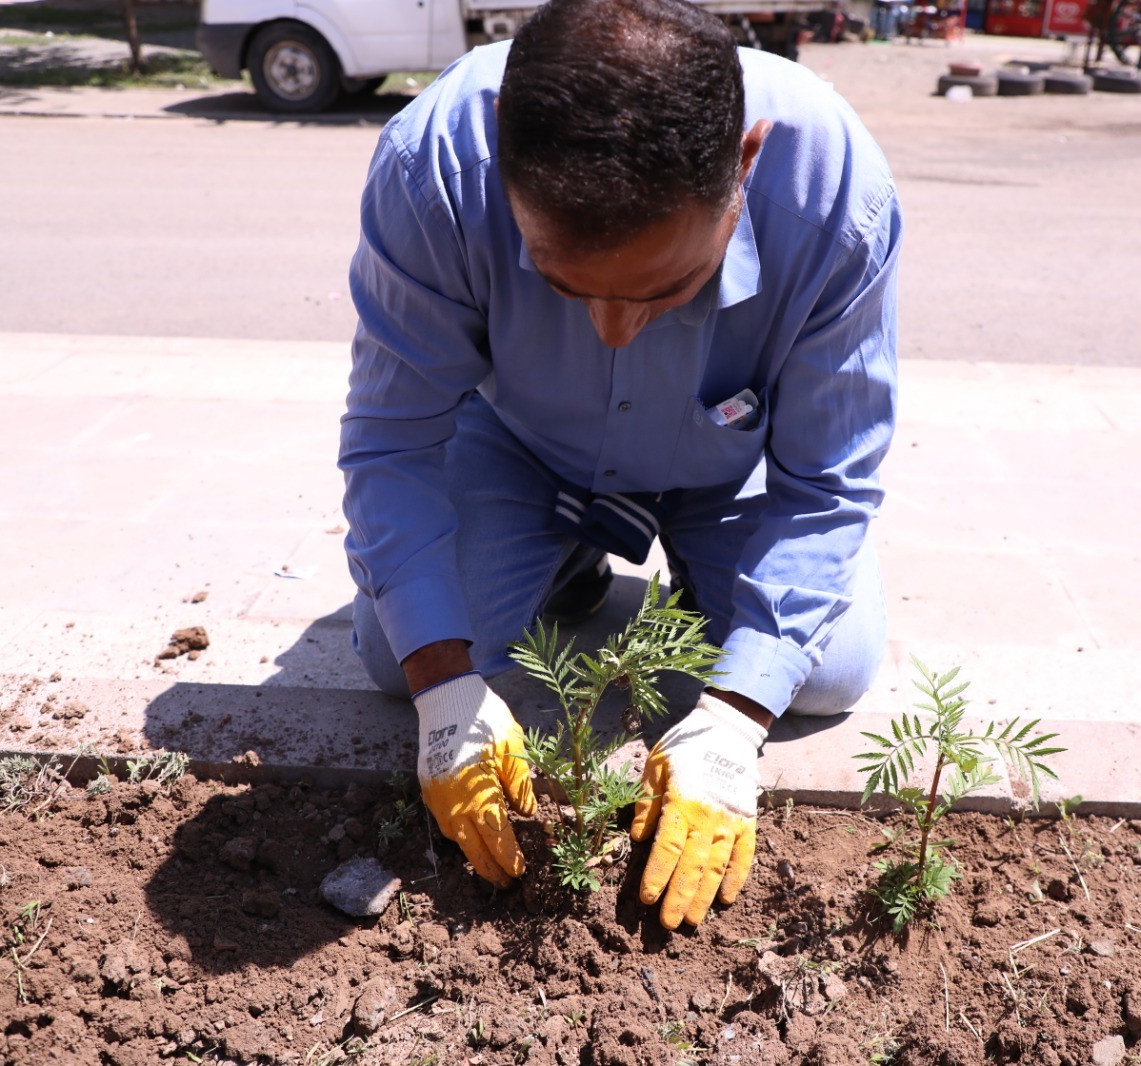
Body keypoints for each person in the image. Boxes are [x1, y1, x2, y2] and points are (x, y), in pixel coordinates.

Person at [341, 0, 900, 929]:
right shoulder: (436, 163)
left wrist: (732, 722)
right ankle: (567, 560)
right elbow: (393, 437)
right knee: (389, 657)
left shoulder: (835, 189)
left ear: (746, 166)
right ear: (502, 163)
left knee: (830, 667)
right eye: (563, 285)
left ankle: (689, 572)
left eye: (671, 289)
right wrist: (444, 687)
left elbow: (831, 481)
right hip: (522, 447)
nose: (612, 332)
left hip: (727, 464)